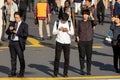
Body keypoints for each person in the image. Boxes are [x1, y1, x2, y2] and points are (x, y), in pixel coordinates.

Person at [6, 12, 28, 77]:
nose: (16, 19)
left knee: (21, 58)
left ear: (20, 18)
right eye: (15, 17)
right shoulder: (12, 23)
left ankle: (22, 72)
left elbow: (25, 35)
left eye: (17, 17)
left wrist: (17, 33)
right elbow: (7, 32)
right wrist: (10, 30)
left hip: (19, 43)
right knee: (13, 58)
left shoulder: (24, 25)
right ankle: (13, 71)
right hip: (12, 42)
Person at [75, 9, 97, 75]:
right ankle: (82, 68)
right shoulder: (79, 22)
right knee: (82, 55)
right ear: (82, 15)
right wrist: (77, 36)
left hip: (89, 41)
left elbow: (95, 23)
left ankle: (88, 70)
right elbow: (76, 30)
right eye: (84, 14)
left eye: (86, 14)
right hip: (81, 41)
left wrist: (91, 16)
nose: (85, 16)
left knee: (89, 56)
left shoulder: (90, 22)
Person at [53, 13, 74, 77]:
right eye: (63, 20)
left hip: (67, 42)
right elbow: (53, 32)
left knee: (67, 58)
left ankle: (65, 73)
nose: (64, 22)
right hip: (59, 41)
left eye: (65, 21)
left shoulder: (69, 23)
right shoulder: (57, 22)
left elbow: (72, 33)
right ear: (61, 18)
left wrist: (67, 31)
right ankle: (55, 73)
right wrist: (59, 30)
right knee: (57, 58)